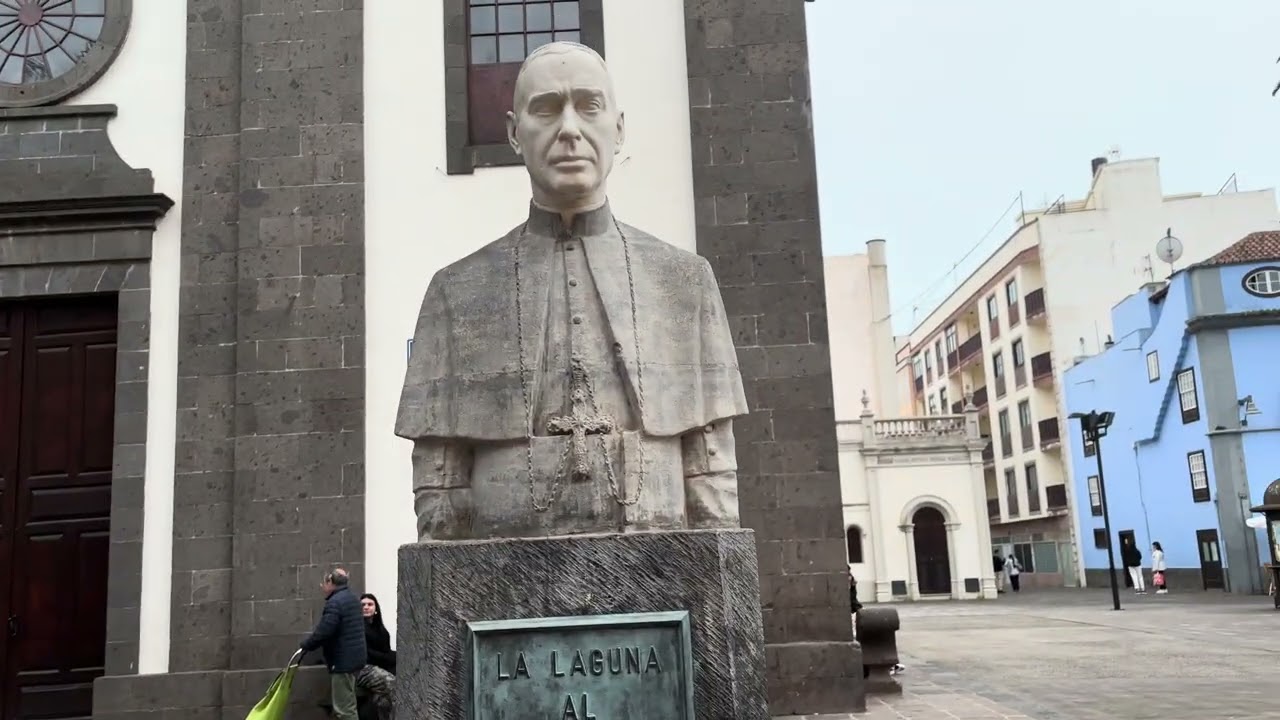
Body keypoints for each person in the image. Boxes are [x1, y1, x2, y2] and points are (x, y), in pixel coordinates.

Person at [395, 41, 749, 542]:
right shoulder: (455, 293)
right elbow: (441, 483)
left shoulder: (684, 282)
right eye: (546, 108)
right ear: (515, 134)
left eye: (589, 107)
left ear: (618, 129)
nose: (569, 129)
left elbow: (711, 468)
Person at [300, 569, 367, 720]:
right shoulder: (353, 598)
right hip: (355, 660)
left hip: (343, 662)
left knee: (345, 709)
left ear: (331, 583)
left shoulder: (335, 603)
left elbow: (324, 631)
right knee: (347, 702)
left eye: (324, 583)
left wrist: (306, 644)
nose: (322, 587)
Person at [360, 594, 396, 675]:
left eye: (370, 604)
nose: (366, 607)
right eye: (363, 605)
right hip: (367, 666)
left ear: (376, 608)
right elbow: (367, 652)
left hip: (383, 664)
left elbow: (386, 649)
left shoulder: (381, 629)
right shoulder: (357, 628)